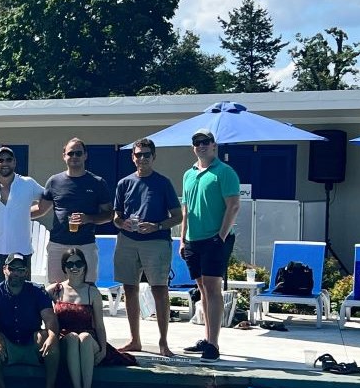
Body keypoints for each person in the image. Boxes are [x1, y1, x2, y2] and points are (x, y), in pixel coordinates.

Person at [113, 137, 182, 357]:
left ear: (153, 157)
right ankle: (135, 340)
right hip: (127, 240)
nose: (142, 158)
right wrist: (121, 222)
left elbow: (178, 216)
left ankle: (163, 342)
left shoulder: (163, 183)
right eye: (138, 154)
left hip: (156, 241)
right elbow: (116, 215)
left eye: (146, 154)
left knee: (159, 289)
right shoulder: (124, 183)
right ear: (132, 157)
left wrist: (157, 226)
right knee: (129, 289)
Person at [180, 128, 241, 363]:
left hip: (216, 239)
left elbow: (233, 206)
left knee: (213, 288)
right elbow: (186, 210)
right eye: (197, 142)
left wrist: (221, 236)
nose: (202, 145)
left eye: (206, 141)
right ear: (193, 147)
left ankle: (214, 344)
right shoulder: (189, 174)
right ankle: (206, 339)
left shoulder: (225, 172)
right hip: (193, 240)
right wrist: (183, 239)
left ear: (215, 145)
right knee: (202, 289)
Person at [0, 253, 61, 388]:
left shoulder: (38, 291)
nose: (16, 274)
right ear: (4, 269)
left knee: (49, 337)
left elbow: (50, 318)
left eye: (21, 270)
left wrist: (52, 337)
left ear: (26, 272)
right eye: (12, 269)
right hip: (7, 347)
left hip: (32, 345)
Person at [38, 138, 114, 283]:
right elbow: (41, 209)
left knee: (88, 288)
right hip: (58, 244)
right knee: (56, 290)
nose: (74, 157)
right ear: (64, 156)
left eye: (78, 153)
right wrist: (14, 213)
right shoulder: (54, 181)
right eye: (71, 153)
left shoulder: (97, 182)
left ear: (85, 155)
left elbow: (109, 214)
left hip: (85, 244)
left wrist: (89, 218)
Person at [0, 146, 50, 285]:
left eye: (9, 159)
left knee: (22, 296)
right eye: (1, 160)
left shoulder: (28, 184)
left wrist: (27, 213)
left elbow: (49, 197)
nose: (5, 163)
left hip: (21, 251)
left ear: (14, 162)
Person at [47, 249, 107, 388]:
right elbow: (36, 300)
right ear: (64, 268)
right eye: (70, 264)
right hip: (65, 338)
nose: (74, 267)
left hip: (88, 338)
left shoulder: (92, 292)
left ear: (85, 266)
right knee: (73, 337)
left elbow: (99, 326)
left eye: (78, 263)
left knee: (84, 337)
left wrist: (104, 348)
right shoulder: (56, 290)